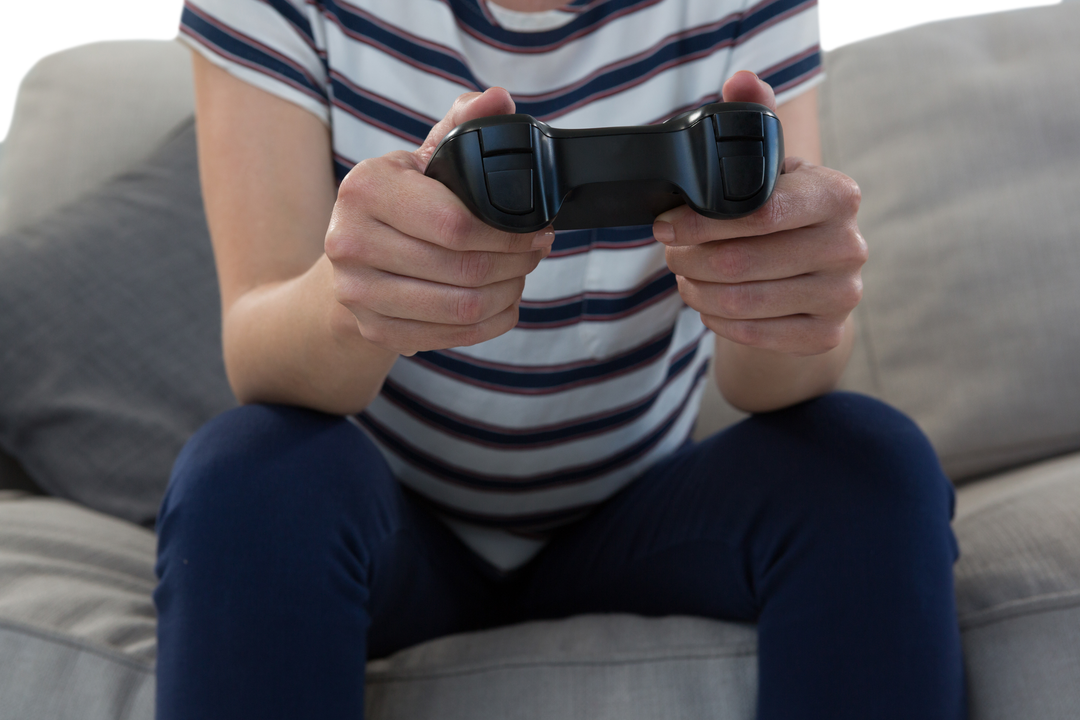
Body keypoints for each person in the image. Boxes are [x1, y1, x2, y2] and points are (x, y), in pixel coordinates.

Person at [154, 1, 967, 718]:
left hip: (635, 519)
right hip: (390, 521)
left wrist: (786, 295)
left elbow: (777, 386)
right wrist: (356, 295)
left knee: (869, 463)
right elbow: (258, 355)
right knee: (247, 474)